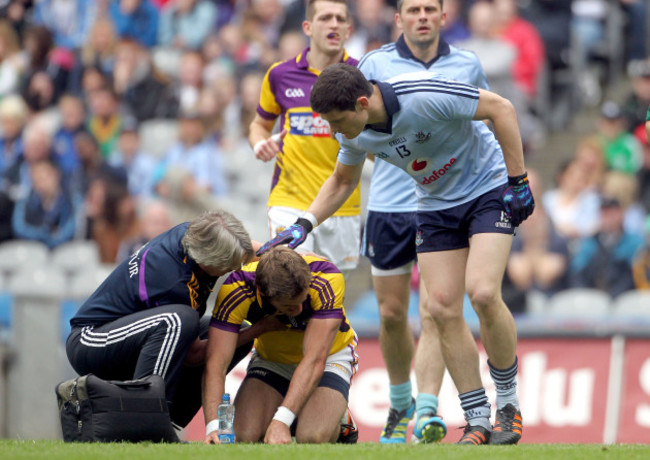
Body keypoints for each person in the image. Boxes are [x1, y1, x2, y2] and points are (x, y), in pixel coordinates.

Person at [259, 63, 535, 445]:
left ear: (361, 103)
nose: (335, 132)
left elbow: (501, 108)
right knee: (440, 308)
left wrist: (518, 179)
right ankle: (477, 420)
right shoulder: (354, 133)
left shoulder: (422, 95)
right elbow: (342, 180)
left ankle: (507, 404)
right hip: (435, 205)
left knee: (484, 293)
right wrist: (304, 224)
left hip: (487, 189)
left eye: (338, 122)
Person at [355, 0, 489, 444]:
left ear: (443, 16)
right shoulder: (374, 63)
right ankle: (400, 403)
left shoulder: (467, 64)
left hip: (443, 203)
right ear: (399, 19)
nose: (422, 16)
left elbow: (484, 120)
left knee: (437, 308)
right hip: (390, 205)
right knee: (392, 314)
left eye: (430, 8)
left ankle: (426, 411)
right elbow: (359, 129)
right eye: (413, 9)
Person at [66, 209, 263, 429]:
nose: (230, 270)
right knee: (179, 321)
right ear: (207, 261)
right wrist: (260, 329)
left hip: (132, 338)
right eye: (226, 267)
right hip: (90, 340)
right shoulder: (172, 281)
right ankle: (145, 420)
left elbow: (251, 249)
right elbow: (193, 354)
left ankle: (167, 423)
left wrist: (292, 258)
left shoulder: (197, 233)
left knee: (220, 329)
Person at [248, 0, 361, 278]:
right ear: (308, 27)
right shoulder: (279, 74)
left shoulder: (363, 76)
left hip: (342, 204)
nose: (333, 24)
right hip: (289, 200)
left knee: (330, 295)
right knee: (293, 281)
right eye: (325, 18)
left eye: (339, 18)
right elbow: (259, 125)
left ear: (349, 28)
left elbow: (375, 146)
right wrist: (260, 143)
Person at [202, 246, 359, 445]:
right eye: (289, 306)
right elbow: (216, 363)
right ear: (264, 294)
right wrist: (215, 428)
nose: (300, 309)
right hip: (272, 361)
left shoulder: (326, 277)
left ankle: (341, 419)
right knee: (243, 437)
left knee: (312, 437)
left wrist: (281, 421)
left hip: (329, 357)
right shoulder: (236, 288)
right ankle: (299, 409)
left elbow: (314, 359)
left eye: (302, 300)